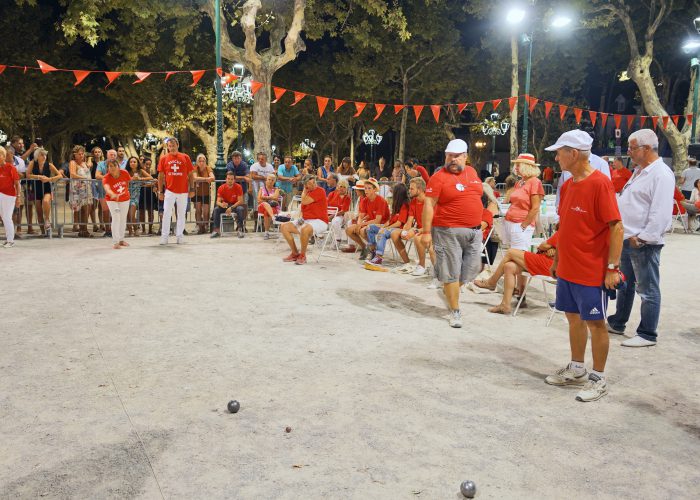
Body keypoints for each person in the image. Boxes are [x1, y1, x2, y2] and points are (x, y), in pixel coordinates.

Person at [544, 129, 624, 402]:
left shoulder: (600, 183)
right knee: (572, 318)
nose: (556, 158)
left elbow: (616, 227)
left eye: (559, 152)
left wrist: (612, 267)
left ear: (573, 154)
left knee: (595, 323)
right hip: (567, 267)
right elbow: (565, 226)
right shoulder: (567, 185)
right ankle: (577, 368)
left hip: (591, 269)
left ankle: (598, 378)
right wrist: (557, 259)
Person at [607, 129, 674, 348]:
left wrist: (644, 237)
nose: (628, 151)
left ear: (646, 149)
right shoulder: (639, 171)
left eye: (632, 147)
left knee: (647, 289)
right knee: (625, 285)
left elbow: (661, 212)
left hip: (643, 242)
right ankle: (618, 322)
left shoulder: (661, 173)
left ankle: (647, 333)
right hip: (628, 237)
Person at [422, 139, 484, 328]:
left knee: (471, 271)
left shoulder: (472, 173)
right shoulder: (438, 177)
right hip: (447, 231)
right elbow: (428, 205)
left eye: (456, 156)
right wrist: (426, 232)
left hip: (474, 232)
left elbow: (478, 196)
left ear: (465, 157)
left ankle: (448, 284)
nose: (452, 159)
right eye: (449, 155)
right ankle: (455, 311)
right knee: (451, 274)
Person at [474, 233, 559, 314]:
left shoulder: (565, 228)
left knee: (511, 252)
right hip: (548, 262)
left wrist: (551, 247)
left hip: (550, 264)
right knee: (509, 266)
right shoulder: (566, 229)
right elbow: (549, 246)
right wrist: (552, 248)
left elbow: (543, 245)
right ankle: (505, 305)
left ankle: (491, 282)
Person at [393, 177, 437, 278]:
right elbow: (409, 221)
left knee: (417, 237)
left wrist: (416, 230)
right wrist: (405, 230)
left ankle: (422, 265)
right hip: (421, 230)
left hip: (432, 230)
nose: (409, 191)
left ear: (420, 190)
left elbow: (432, 224)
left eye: (412, 189)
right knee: (394, 233)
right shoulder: (413, 202)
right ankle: (407, 263)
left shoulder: (430, 202)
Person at [280, 175, 328, 265]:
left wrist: (304, 190)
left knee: (304, 229)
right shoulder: (307, 193)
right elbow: (304, 210)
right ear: (306, 185)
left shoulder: (320, 191)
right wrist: (299, 221)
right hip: (306, 220)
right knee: (284, 226)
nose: (314, 185)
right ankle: (294, 253)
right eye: (310, 184)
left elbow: (304, 201)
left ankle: (303, 256)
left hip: (320, 221)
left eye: (314, 182)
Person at [502, 153, 544, 251]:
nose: (515, 167)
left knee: (517, 255)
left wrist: (524, 226)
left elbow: (535, 208)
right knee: (513, 253)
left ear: (526, 166)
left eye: (518, 164)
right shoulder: (520, 182)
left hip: (520, 223)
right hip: (511, 222)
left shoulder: (535, 182)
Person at [157, 137, 195, 245]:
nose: (171, 148)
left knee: (181, 214)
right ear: (167, 147)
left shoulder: (185, 157)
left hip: (183, 191)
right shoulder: (164, 158)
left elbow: (190, 174)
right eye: (169, 146)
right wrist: (160, 191)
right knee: (166, 214)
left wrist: (192, 188)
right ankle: (164, 237)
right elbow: (160, 176)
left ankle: (180, 236)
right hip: (169, 191)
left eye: (173, 145)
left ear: (177, 145)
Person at [345, 177, 390, 260]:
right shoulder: (365, 200)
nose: (366, 190)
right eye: (365, 188)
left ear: (374, 190)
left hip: (382, 224)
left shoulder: (381, 201)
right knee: (349, 230)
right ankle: (365, 247)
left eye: (369, 188)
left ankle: (373, 249)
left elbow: (378, 220)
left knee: (363, 230)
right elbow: (361, 216)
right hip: (370, 223)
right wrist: (359, 224)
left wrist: (362, 224)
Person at [365, 183, 410, 265]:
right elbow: (390, 220)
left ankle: (379, 257)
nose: (392, 192)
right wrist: (383, 226)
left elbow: (398, 223)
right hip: (391, 226)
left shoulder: (404, 205)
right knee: (370, 228)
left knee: (383, 232)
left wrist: (385, 228)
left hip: (398, 228)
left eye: (393, 191)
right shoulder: (396, 204)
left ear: (398, 193)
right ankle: (373, 252)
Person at [25, 148, 61, 235]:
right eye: (42, 154)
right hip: (36, 187)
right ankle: (43, 232)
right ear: (37, 156)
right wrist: (38, 177)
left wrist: (50, 179)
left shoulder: (49, 164)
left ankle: (47, 219)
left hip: (47, 187)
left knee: (45, 201)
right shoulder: (33, 163)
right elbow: (28, 175)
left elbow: (59, 175)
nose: (44, 156)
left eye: (45, 154)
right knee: (39, 211)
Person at [102, 158, 131, 249]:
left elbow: (127, 183)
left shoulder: (125, 173)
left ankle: (121, 239)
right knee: (116, 218)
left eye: (114, 165)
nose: (112, 168)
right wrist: (112, 194)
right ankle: (115, 242)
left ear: (118, 166)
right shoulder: (106, 177)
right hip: (112, 200)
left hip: (125, 199)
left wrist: (126, 192)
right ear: (107, 168)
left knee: (123, 219)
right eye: (110, 166)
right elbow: (107, 188)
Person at [211, 171, 246, 238]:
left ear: (234, 180)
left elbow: (240, 201)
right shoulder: (221, 187)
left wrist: (231, 208)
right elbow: (217, 202)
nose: (230, 180)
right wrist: (222, 205)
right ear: (226, 179)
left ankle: (240, 229)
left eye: (232, 179)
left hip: (235, 205)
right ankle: (216, 230)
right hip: (225, 205)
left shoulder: (238, 187)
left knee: (240, 209)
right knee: (216, 209)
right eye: (228, 179)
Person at [69, 145, 94, 238]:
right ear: (74, 154)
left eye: (82, 153)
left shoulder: (84, 163)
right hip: (77, 189)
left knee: (87, 208)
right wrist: (84, 178)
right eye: (79, 154)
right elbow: (72, 174)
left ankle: (84, 228)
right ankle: (82, 229)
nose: (81, 155)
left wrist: (89, 158)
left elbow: (90, 165)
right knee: (79, 209)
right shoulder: (73, 162)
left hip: (87, 188)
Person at [124, 157, 152, 236]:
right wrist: (130, 179)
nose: (133, 163)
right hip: (126, 195)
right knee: (127, 215)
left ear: (137, 163)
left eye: (134, 162)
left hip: (135, 196)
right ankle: (130, 231)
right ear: (129, 163)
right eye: (131, 162)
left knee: (132, 215)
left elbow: (151, 177)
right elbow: (123, 181)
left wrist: (140, 178)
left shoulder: (140, 171)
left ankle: (135, 228)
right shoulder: (126, 171)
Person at [0, 146, 21, 248]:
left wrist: (18, 197)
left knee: (7, 217)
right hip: (1, 195)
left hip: (9, 196)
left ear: (4, 156)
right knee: (4, 217)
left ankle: (11, 240)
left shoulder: (11, 168)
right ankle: (8, 239)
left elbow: (17, 184)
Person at [95, 149, 118, 238]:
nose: (112, 156)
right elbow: (97, 175)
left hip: (115, 191)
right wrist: (109, 177)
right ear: (107, 155)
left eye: (114, 155)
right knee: (105, 211)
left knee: (115, 211)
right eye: (111, 154)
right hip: (103, 191)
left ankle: (114, 230)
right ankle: (108, 230)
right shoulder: (101, 164)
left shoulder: (118, 164)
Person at [193, 154, 215, 234]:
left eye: (203, 161)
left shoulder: (208, 168)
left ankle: (206, 225)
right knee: (198, 210)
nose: (201, 163)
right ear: (197, 162)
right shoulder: (195, 168)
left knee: (206, 211)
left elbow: (212, 177)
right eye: (200, 161)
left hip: (206, 193)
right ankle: (199, 226)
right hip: (197, 193)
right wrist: (206, 179)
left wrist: (202, 180)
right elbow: (194, 178)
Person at [327, 179, 352, 243]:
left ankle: (338, 239)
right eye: (341, 186)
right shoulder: (331, 194)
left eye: (344, 187)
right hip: (328, 214)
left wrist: (332, 216)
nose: (342, 188)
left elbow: (343, 211)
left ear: (346, 189)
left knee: (336, 221)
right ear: (338, 187)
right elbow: (325, 205)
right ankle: (319, 237)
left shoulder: (347, 198)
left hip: (340, 216)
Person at [257, 173, 282, 239]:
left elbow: (276, 198)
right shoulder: (261, 188)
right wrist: (270, 197)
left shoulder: (276, 189)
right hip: (262, 206)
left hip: (273, 207)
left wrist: (264, 197)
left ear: (274, 182)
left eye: (272, 180)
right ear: (266, 180)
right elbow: (259, 200)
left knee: (266, 212)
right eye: (269, 179)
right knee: (265, 204)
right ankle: (273, 217)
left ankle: (266, 233)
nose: (270, 181)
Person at [138, 157, 158, 235]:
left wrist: (145, 184)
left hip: (150, 193)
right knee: (142, 211)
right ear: (143, 164)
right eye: (146, 164)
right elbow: (140, 183)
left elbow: (154, 182)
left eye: (150, 164)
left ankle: (150, 229)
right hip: (141, 192)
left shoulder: (153, 172)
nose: (148, 166)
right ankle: (143, 229)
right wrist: (148, 184)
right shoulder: (140, 171)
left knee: (151, 212)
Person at [88, 147, 105, 233]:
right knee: (93, 205)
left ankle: (102, 224)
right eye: (95, 152)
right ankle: (94, 224)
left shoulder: (103, 163)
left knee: (101, 206)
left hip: (101, 184)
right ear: (93, 153)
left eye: (99, 152)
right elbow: (88, 167)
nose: (97, 153)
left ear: (102, 153)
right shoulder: (91, 162)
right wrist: (89, 159)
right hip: (93, 184)